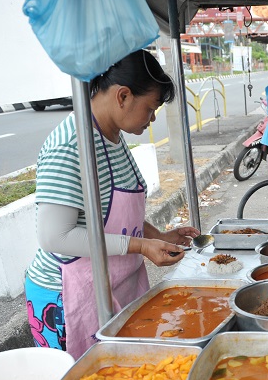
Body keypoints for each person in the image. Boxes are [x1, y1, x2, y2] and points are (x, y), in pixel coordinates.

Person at [24, 50, 199, 360]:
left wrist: (157, 236)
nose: (152, 118)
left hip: (113, 284)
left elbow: (113, 214)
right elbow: (55, 236)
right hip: (66, 296)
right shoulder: (71, 144)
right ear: (123, 96)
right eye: (150, 108)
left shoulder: (113, 136)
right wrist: (142, 246)